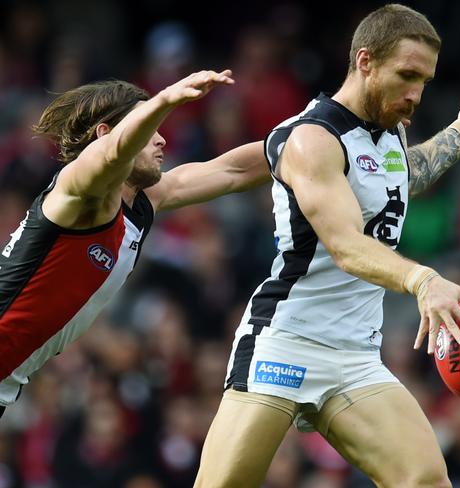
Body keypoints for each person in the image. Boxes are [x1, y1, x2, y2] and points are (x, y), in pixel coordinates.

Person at [194, 4, 460, 488]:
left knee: (425, 480)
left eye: (425, 80)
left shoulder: (388, 133)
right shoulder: (313, 139)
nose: (416, 94)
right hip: (287, 341)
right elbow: (344, 245)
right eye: (406, 75)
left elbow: (405, 173)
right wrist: (422, 279)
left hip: (355, 355)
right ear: (365, 61)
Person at [0, 69, 270, 418]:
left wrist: (313, 136)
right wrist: (166, 98)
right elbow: (110, 156)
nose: (161, 141)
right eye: (149, 129)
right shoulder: (78, 192)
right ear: (106, 134)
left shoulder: (145, 202)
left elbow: (234, 171)